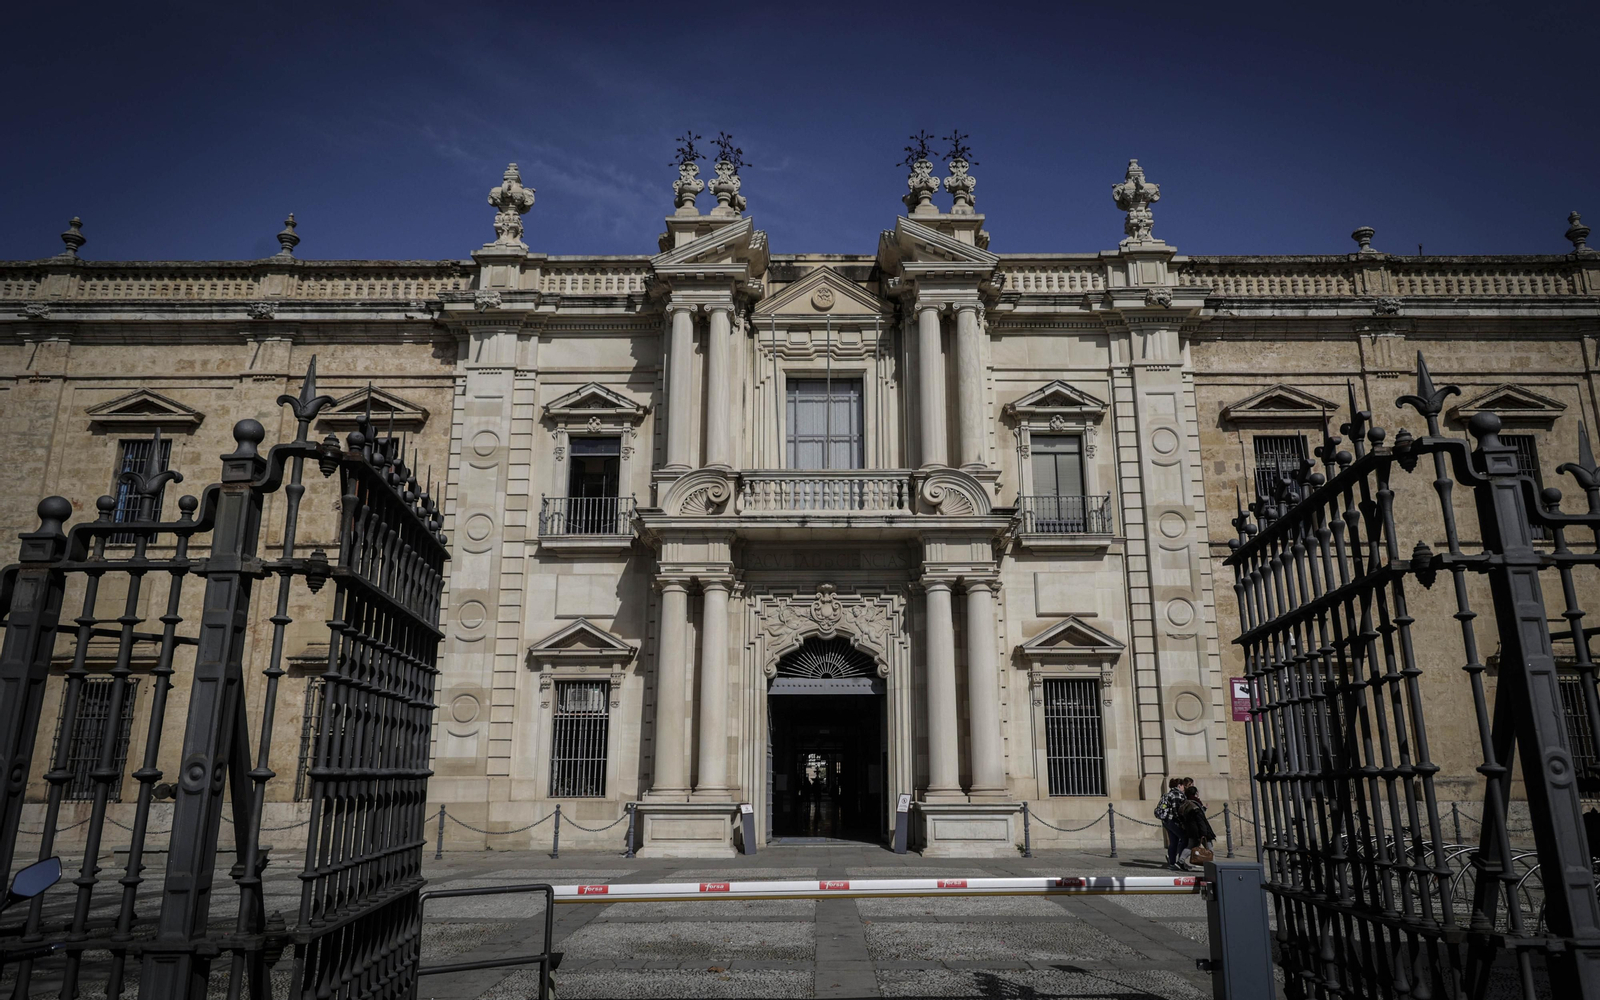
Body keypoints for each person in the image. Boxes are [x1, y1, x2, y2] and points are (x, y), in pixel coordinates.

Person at [1176, 785, 1217, 870]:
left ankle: (1180, 861)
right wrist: (1204, 833)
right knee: (1209, 848)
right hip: (1200, 830)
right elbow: (1200, 820)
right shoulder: (1195, 804)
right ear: (1195, 793)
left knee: (1190, 846)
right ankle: (1214, 866)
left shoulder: (1185, 803)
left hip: (1191, 831)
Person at [1154, 777, 1187, 870]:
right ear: (1179, 785)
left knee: (1173, 842)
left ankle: (1172, 863)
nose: (1183, 788)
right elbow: (1178, 811)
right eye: (1182, 786)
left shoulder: (1166, 794)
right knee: (1185, 839)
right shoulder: (1179, 795)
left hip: (1166, 821)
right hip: (1174, 821)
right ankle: (1180, 862)